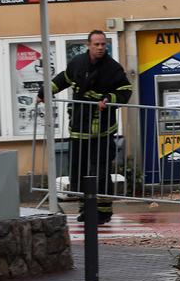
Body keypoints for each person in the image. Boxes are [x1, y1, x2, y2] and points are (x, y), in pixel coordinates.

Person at [38, 30, 131, 220]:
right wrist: (44, 92)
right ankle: (85, 209)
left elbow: (125, 90)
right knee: (79, 170)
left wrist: (109, 99)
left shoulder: (113, 68)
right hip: (80, 127)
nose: (100, 48)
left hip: (103, 129)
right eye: (96, 44)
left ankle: (103, 212)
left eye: (103, 44)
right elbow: (63, 79)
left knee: (101, 170)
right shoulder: (78, 63)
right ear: (88, 45)